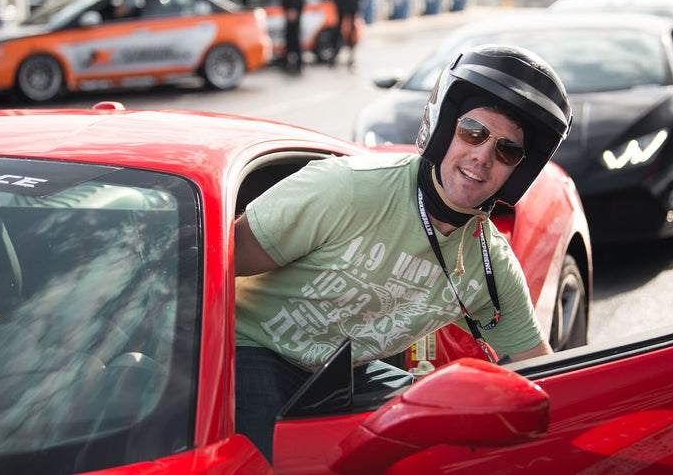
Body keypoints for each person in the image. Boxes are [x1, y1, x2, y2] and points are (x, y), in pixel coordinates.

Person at [234, 44, 573, 462]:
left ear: (518, 170)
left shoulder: (490, 267)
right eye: (473, 132)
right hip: (251, 345)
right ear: (443, 128)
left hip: (340, 372)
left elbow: (544, 378)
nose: (483, 156)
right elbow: (217, 264)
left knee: (435, 445)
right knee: (264, 462)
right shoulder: (349, 189)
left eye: (507, 150)